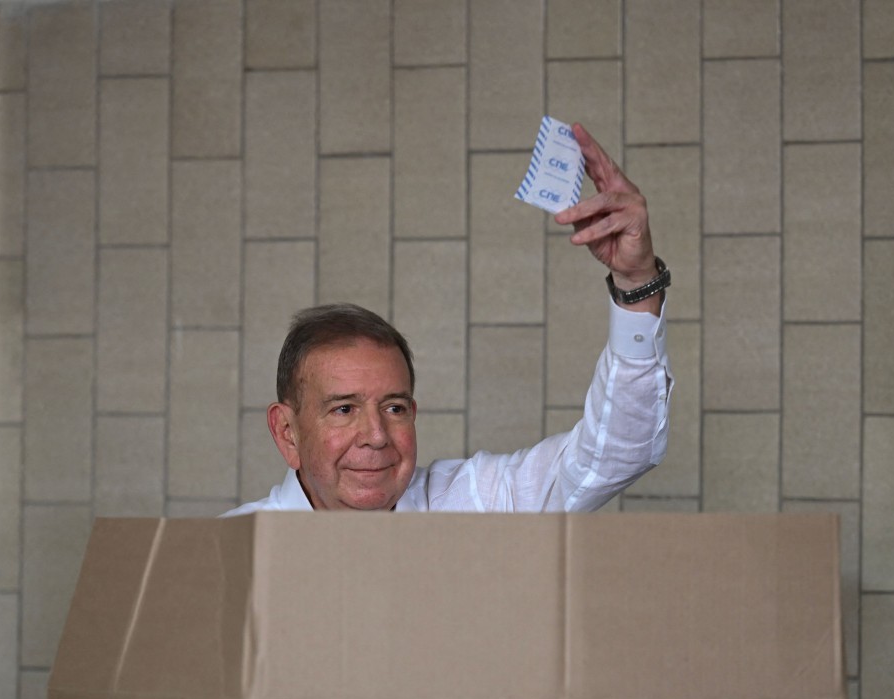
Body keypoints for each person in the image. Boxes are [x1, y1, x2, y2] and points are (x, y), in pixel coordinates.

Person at [224, 123, 671, 516]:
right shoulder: (231, 553)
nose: (377, 436)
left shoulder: (472, 504)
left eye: (394, 408)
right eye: (343, 409)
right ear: (287, 432)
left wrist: (635, 281)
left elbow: (611, 455)